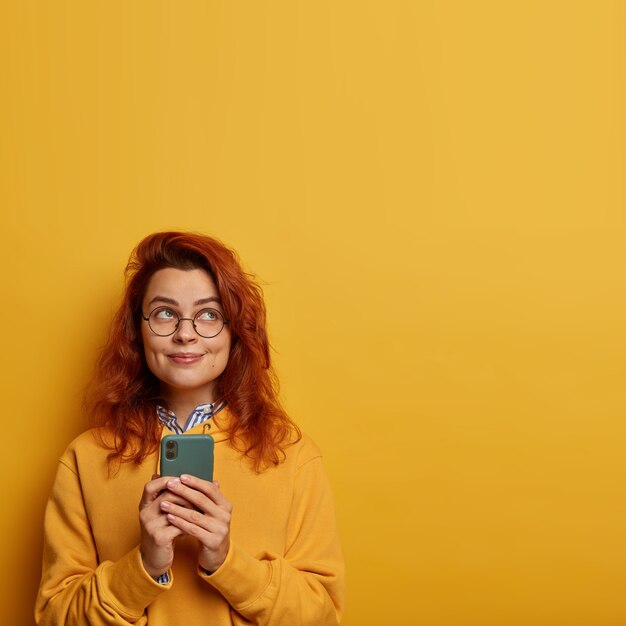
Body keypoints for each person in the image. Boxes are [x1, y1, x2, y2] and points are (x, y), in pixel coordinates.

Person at [35, 232, 345, 625]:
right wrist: (144, 565)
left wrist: (226, 560)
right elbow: (54, 618)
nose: (185, 333)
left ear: (235, 331)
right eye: (165, 312)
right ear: (138, 329)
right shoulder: (85, 458)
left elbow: (323, 617)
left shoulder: (292, 455)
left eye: (209, 314)